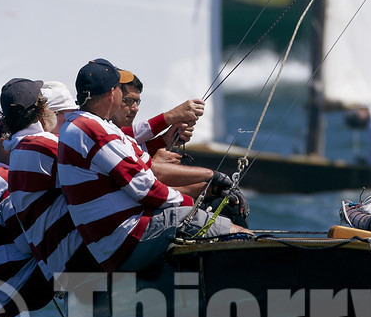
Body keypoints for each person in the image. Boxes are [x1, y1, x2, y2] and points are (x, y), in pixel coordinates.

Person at [57, 59, 245, 272]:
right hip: (125, 241)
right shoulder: (93, 130)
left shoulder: (83, 124)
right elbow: (146, 187)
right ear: (112, 94)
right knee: (238, 233)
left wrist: (166, 140)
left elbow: (142, 163)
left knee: (222, 204)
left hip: (118, 239)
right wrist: (191, 202)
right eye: (121, 90)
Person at [2, 79, 98, 282]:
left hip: (59, 265)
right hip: (78, 259)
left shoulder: (19, 148)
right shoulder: (43, 146)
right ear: (41, 109)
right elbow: (106, 167)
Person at [0, 91, 53, 317]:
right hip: (17, 288)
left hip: (4, 292)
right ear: (3, 144)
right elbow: (25, 244)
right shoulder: (6, 181)